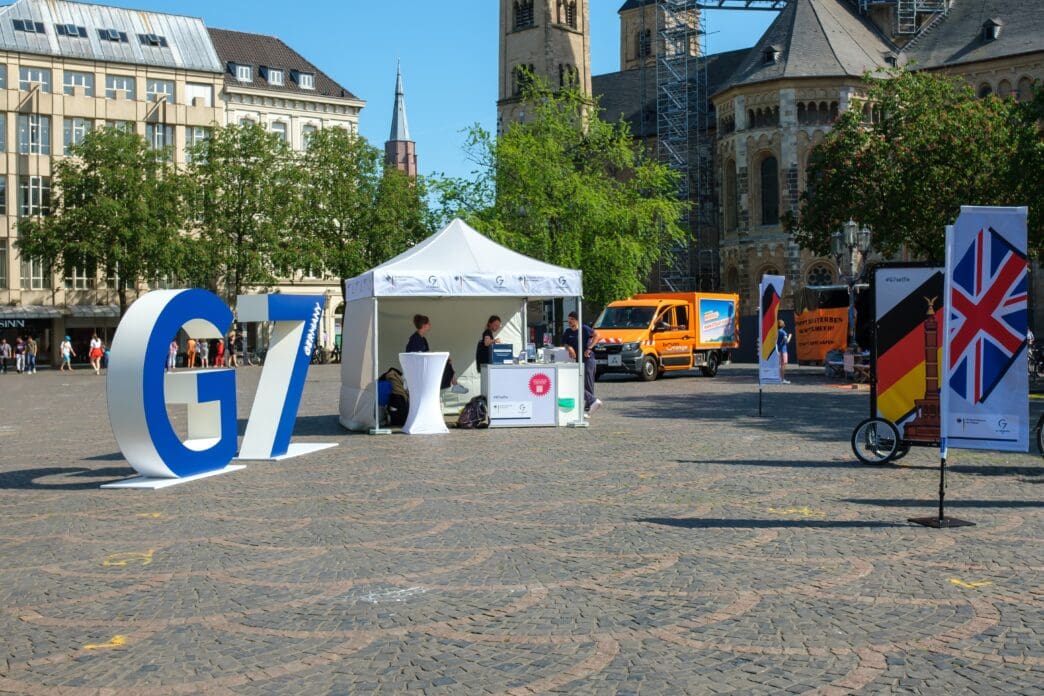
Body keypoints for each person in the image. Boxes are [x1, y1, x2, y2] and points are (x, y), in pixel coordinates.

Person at [405, 314, 468, 393]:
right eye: (429, 323)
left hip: (423, 367)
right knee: (446, 363)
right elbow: (416, 357)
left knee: (447, 362)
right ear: (424, 325)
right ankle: (455, 384)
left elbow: (426, 354)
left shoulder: (422, 339)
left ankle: (455, 384)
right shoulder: (415, 339)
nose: (430, 325)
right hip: (418, 370)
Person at [563, 310, 602, 416]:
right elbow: (565, 344)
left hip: (588, 359)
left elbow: (597, 335)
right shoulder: (567, 332)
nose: (569, 321)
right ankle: (593, 402)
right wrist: (570, 348)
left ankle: (589, 407)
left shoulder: (584, 328)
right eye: (568, 319)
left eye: (571, 319)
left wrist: (589, 348)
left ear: (576, 320)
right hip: (577, 360)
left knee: (588, 383)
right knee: (577, 382)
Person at [777, 319, 792, 384]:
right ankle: (782, 379)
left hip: (778, 350)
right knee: (783, 365)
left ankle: (779, 378)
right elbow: (787, 341)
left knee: (779, 365)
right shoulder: (783, 332)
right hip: (783, 350)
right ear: (783, 325)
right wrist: (790, 336)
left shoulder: (776, 331)